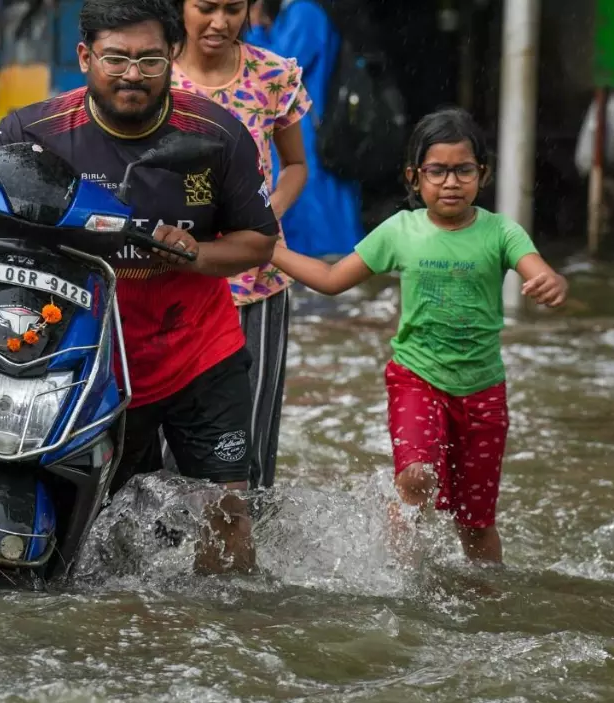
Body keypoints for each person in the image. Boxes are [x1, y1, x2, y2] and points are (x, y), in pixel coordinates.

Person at [0, 0, 279, 575]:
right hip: (84, 357)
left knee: (227, 515)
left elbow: (258, 242)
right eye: (115, 58)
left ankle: (226, 642)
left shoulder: (216, 135)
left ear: (172, 55)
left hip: (198, 354)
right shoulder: (33, 129)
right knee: (89, 533)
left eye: (148, 59)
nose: (132, 74)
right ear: (85, 56)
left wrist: (196, 254)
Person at [268, 108, 569, 564]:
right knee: (416, 477)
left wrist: (551, 282)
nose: (451, 182)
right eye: (438, 171)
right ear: (415, 177)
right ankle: (402, 574)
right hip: (417, 380)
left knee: (476, 521)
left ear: (482, 174)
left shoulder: (501, 231)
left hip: (484, 391)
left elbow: (539, 269)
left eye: (463, 170)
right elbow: (331, 279)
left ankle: (486, 595)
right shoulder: (400, 231)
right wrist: (269, 251)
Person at [170, 0, 312, 488]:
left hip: (257, 282)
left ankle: (243, 549)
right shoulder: (152, 75)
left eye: (233, 9)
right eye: (205, 7)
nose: (219, 22)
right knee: (166, 432)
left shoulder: (273, 75)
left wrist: (261, 217)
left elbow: (296, 166)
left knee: (248, 434)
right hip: (173, 278)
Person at [247, 0, 363, 258]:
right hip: (300, 126)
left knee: (312, 206)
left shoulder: (305, 11)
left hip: (306, 129)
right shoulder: (295, 11)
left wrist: (254, 28)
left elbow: (275, 67)